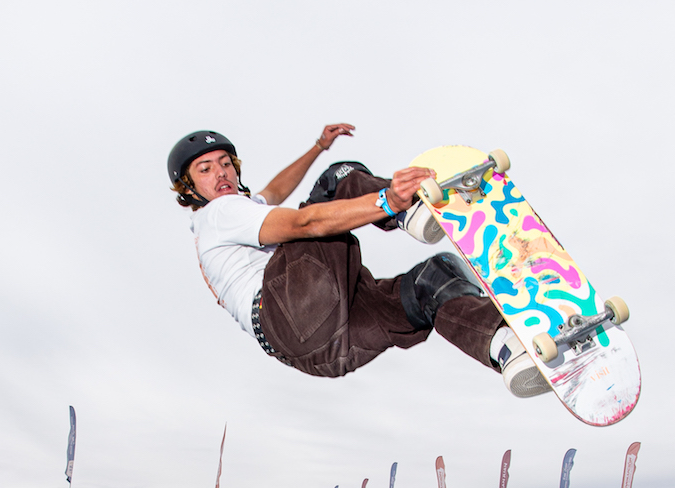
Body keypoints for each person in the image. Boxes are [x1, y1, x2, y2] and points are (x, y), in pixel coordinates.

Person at [167, 126, 550, 399]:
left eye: (225, 164)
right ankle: (406, 210)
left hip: (322, 348)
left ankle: (506, 348)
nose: (221, 173)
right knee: (340, 177)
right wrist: (386, 200)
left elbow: (277, 189)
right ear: (189, 189)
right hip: (288, 310)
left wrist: (318, 146)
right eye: (205, 169)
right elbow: (306, 221)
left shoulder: (238, 212)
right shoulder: (220, 212)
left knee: (432, 282)